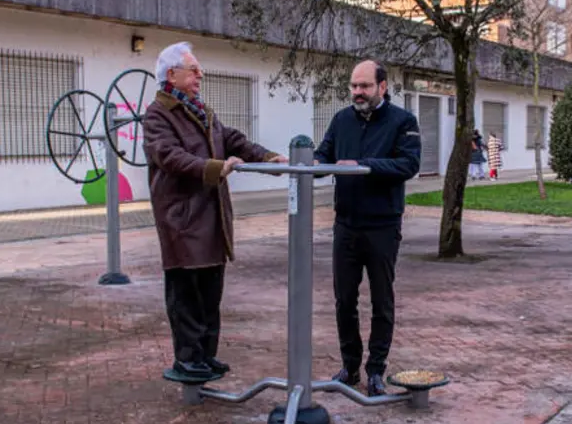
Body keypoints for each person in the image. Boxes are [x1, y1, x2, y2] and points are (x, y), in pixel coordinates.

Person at [143, 42, 288, 382]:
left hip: (211, 217)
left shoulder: (200, 110)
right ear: (171, 74)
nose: (200, 74)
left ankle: (206, 355)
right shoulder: (158, 114)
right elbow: (169, 156)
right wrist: (215, 168)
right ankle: (188, 359)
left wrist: (268, 158)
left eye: (198, 69)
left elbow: (232, 139)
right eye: (193, 69)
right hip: (182, 219)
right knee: (186, 293)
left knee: (210, 291)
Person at [314, 60, 421, 396]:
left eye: (364, 86)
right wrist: (311, 164)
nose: (357, 93)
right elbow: (323, 154)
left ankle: (375, 370)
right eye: (354, 86)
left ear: (382, 87)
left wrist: (363, 165)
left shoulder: (403, 122)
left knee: (381, 300)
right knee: (344, 300)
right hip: (346, 225)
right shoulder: (342, 119)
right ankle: (349, 367)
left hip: (382, 226)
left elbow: (408, 164)